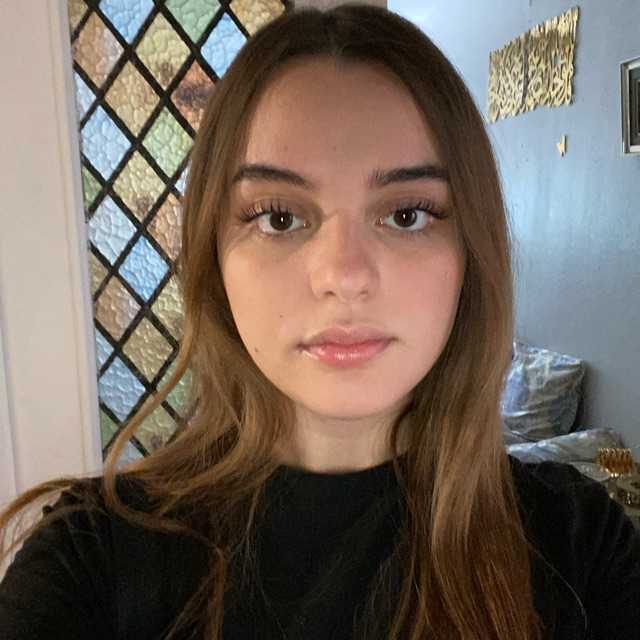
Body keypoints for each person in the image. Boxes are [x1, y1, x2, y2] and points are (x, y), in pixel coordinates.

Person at [1, 3, 638, 639]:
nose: (343, 274)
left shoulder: (580, 546)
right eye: (279, 217)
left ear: (472, 250)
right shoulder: (92, 555)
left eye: (407, 215)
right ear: (213, 256)